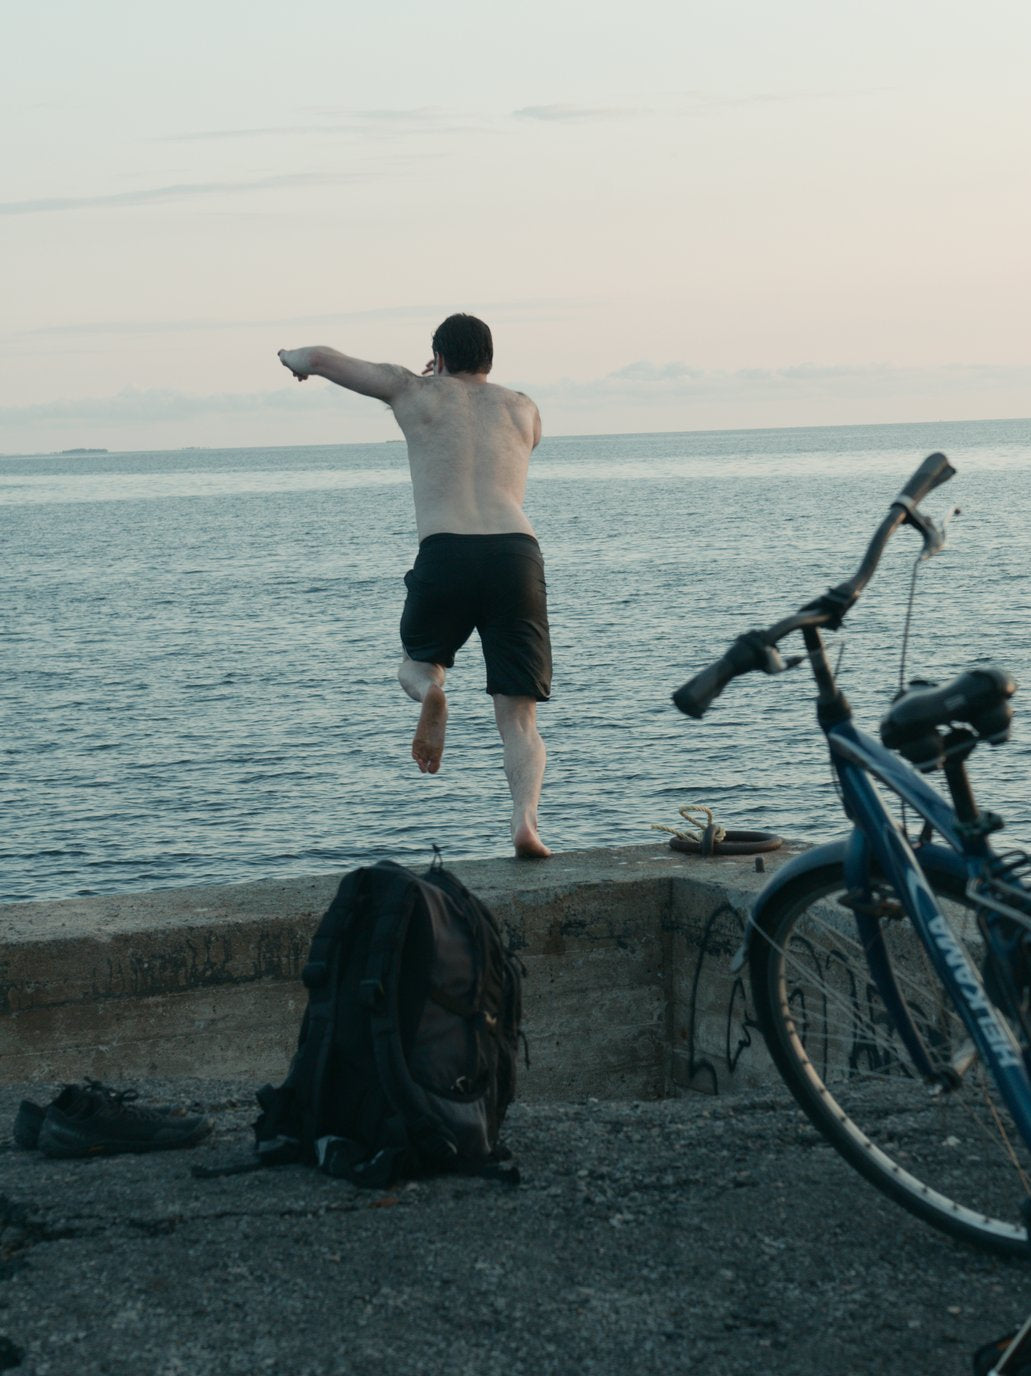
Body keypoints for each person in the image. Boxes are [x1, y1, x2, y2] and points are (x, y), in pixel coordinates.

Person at [278, 313, 552, 859]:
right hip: (514, 554)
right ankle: (525, 821)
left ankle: (431, 691)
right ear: (490, 359)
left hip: (446, 550)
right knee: (519, 715)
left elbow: (318, 358)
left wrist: (292, 361)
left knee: (417, 663)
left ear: (439, 356)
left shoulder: (412, 390)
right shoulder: (524, 409)